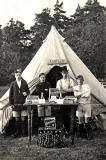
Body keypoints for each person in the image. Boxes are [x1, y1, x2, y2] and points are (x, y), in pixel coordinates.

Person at [56, 66, 76, 143]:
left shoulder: (70, 80)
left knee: (70, 114)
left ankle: (70, 130)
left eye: (65, 72)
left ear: (67, 72)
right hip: (62, 99)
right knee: (62, 114)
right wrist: (66, 90)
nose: (64, 74)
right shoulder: (59, 81)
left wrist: (64, 90)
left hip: (69, 98)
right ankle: (64, 130)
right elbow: (58, 90)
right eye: (63, 73)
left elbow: (73, 89)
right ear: (61, 73)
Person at [9, 68, 30, 137]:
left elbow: (28, 91)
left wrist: (26, 93)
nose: (18, 76)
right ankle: (18, 132)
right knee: (17, 118)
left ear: (21, 75)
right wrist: (11, 104)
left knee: (23, 117)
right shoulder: (13, 84)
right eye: (17, 75)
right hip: (15, 103)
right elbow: (10, 94)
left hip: (23, 103)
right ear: (15, 76)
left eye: (19, 75)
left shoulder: (24, 82)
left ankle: (24, 132)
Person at [73, 75, 92, 139]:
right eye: (78, 80)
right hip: (79, 105)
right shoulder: (75, 87)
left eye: (81, 80)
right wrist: (83, 92)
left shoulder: (87, 86)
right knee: (80, 120)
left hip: (87, 104)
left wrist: (80, 94)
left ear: (83, 80)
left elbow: (88, 94)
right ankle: (80, 133)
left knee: (87, 120)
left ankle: (88, 134)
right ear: (77, 80)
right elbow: (75, 94)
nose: (80, 81)